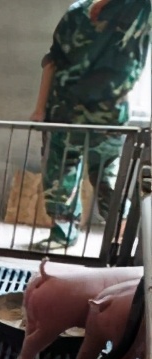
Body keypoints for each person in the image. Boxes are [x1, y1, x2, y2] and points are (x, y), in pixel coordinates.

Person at [30, 0, 150, 251]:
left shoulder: (139, 7)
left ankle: (120, 238)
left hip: (108, 116)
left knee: (109, 178)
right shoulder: (76, 13)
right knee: (58, 175)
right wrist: (40, 109)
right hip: (62, 111)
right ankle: (62, 233)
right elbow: (53, 60)